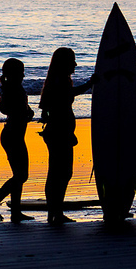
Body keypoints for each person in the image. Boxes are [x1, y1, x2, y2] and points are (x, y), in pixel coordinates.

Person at [39, 47, 96, 225]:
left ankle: (54, 212)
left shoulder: (56, 79)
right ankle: (56, 212)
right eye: (72, 61)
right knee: (61, 173)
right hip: (59, 132)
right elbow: (67, 95)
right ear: (64, 63)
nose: (75, 64)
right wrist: (90, 83)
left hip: (58, 131)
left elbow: (46, 107)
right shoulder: (60, 80)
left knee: (57, 172)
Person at [0, 58, 35, 223]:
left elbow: (16, 107)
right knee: (22, 175)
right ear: (14, 73)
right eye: (21, 71)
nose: (23, 74)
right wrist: (23, 112)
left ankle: (16, 212)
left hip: (14, 134)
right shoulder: (11, 88)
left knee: (19, 175)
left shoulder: (13, 87)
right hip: (12, 135)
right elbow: (5, 109)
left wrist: (27, 111)